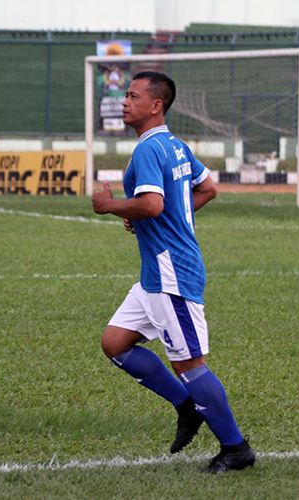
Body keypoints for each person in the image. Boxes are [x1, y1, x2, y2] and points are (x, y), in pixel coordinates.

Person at [92, 71, 255, 473]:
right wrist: (149, 218)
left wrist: (109, 206)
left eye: (132, 95)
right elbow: (206, 189)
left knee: (189, 365)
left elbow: (151, 205)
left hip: (171, 274)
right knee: (115, 344)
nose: (125, 101)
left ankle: (236, 450)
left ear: (156, 105)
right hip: (156, 274)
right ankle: (187, 406)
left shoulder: (149, 149)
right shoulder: (175, 145)